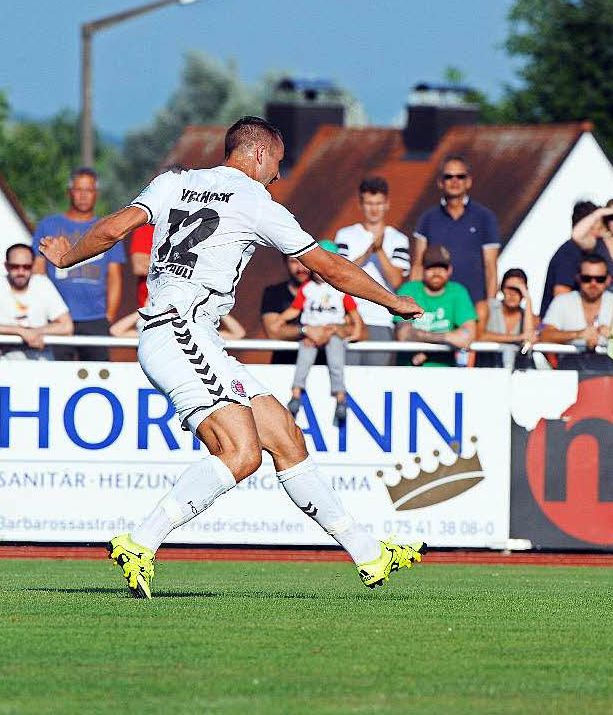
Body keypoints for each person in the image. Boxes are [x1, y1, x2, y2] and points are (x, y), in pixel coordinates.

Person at [38, 116, 426, 598]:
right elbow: (327, 266)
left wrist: (67, 257)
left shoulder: (173, 183)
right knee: (240, 454)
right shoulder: (256, 202)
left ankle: (370, 553)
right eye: (278, 165)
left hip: (186, 334)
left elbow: (115, 228)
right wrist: (392, 300)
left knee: (285, 435)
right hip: (180, 330)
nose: (278, 176)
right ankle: (140, 541)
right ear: (260, 155)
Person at [31, 166, 124, 360]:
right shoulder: (49, 225)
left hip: (95, 319)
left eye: (88, 190)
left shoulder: (105, 228)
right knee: (54, 375)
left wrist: (109, 316)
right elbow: (38, 272)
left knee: (98, 375)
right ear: (69, 192)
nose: (83, 196)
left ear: (96, 194)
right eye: (78, 190)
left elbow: (115, 276)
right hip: (56, 317)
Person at [411, 155, 499, 321]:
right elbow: (418, 265)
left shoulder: (485, 218)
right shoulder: (427, 218)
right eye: (448, 176)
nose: (454, 181)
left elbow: (491, 267)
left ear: (468, 181)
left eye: (460, 176)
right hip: (436, 309)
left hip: (474, 306)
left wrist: (490, 306)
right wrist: (413, 304)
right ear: (440, 182)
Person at [335, 176, 410, 366]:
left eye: (378, 203)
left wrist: (380, 251)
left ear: (387, 204)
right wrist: (367, 253)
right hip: (350, 319)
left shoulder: (398, 239)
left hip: (381, 319)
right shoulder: (345, 235)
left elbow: (397, 282)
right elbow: (338, 274)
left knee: (376, 379)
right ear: (361, 204)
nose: (374, 209)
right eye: (369, 203)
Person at [280, 271, 364, 425]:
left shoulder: (339, 289)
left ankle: (340, 398)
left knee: (336, 362)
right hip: (312, 333)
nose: (320, 273)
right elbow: (295, 309)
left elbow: (354, 313)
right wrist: (280, 320)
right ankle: (296, 394)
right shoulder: (307, 288)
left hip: (333, 331)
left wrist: (357, 330)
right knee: (304, 360)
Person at [540, 253, 613, 371]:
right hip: (570, 373)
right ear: (578, 277)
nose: (593, 284)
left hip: (607, 375)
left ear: (608, 280)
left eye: (599, 279)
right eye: (587, 278)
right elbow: (544, 335)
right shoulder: (562, 301)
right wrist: (578, 334)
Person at [395, 243, 476, 367]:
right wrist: (447, 337)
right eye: (431, 267)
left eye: (442, 267)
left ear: (450, 270)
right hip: (409, 370)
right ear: (422, 269)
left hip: (445, 373)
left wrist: (426, 350)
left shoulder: (458, 292)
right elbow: (403, 334)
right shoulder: (409, 290)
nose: (437, 272)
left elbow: (467, 336)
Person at [0, 243, 72, 360]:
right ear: (6, 266)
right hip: (5, 364)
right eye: (15, 266)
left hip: (41, 362)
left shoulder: (42, 284)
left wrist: (35, 332)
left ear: (33, 266)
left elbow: (66, 326)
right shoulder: (1, 284)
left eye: (26, 267)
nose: (21, 272)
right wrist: (21, 332)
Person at [260, 256, 335, 365]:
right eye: (294, 262)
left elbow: (357, 331)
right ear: (285, 262)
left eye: (305, 262)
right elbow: (273, 332)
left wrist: (330, 330)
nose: (301, 268)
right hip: (284, 367)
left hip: (323, 370)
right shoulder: (274, 293)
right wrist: (305, 331)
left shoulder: (332, 293)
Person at [131, 164, 186, 307]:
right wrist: (181, 265)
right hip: (152, 305)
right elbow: (139, 266)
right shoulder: (147, 224)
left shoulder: (192, 222)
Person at [540, 200, 598, 318]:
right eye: (600, 227)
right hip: (561, 330)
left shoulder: (578, 252)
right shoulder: (570, 253)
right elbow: (561, 296)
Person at [476, 268, 536, 370]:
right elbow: (478, 335)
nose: (512, 294)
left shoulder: (530, 317)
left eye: (518, 289)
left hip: (517, 375)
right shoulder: (485, 307)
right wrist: (518, 337)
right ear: (501, 288)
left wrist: (528, 300)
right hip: (487, 372)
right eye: (509, 288)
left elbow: (528, 339)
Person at [111, 310, 245, 340]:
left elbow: (238, 333)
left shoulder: (194, 330)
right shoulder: (155, 333)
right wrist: (147, 309)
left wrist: (215, 309)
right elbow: (116, 331)